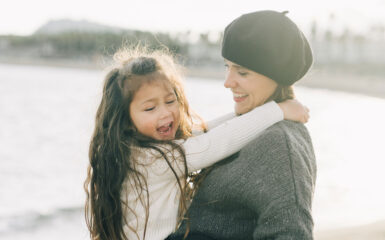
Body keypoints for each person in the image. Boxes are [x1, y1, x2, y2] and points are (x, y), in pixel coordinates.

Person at [84, 46, 309, 240]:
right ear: (127, 122)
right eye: (150, 108)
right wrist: (277, 110)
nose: (165, 114)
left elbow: (205, 132)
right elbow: (214, 143)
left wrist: (259, 112)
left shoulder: (145, 146)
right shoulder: (149, 158)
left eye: (170, 101)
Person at [167, 10, 317, 240]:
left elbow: (292, 232)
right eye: (227, 66)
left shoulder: (280, 143)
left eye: (242, 72)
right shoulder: (250, 125)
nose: (228, 82)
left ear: (277, 76)